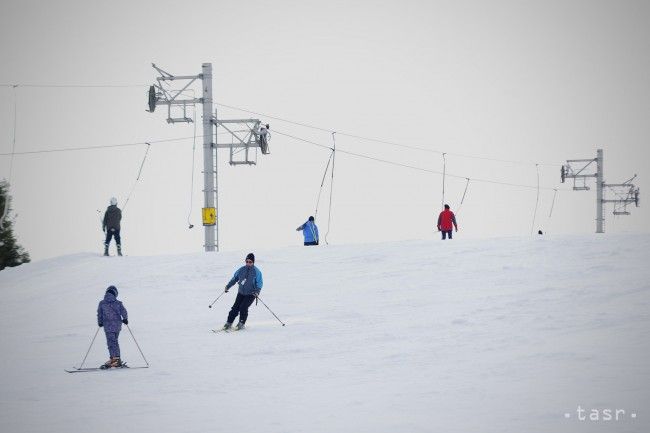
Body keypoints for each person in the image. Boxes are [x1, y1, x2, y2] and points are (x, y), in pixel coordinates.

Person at [222, 253, 263, 330]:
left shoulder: (256, 272)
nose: (248, 263)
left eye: (250, 262)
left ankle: (241, 323)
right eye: (247, 261)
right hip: (241, 292)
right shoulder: (241, 270)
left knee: (243, 307)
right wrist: (228, 286)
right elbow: (235, 279)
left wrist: (257, 292)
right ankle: (229, 323)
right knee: (235, 308)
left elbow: (259, 283)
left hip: (251, 294)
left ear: (253, 262)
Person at [97, 285, 128, 368]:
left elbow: (100, 313)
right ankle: (116, 359)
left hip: (108, 326)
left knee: (111, 343)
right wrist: (125, 319)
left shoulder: (102, 303)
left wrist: (100, 322)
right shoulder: (118, 303)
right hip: (117, 326)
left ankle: (115, 360)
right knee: (115, 342)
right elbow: (124, 311)